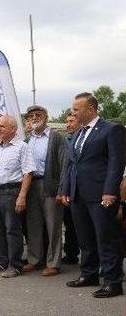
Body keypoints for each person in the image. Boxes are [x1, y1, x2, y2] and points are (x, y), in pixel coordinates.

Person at [62, 92, 126, 297]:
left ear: (90, 109)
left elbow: (116, 163)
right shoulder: (80, 132)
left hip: (101, 195)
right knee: (85, 238)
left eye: (76, 109)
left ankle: (113, 282)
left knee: (106, 238)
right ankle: (88, 274)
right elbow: (72, 164)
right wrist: (65, 189)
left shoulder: (111, 129)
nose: (72, 112)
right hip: (78, 194)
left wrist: (109, 191)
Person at [0, 115, 35, 278]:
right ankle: (0, 261)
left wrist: (22, 196)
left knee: (12, 230)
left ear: (14, 129)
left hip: (11, 192)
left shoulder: (21, 147)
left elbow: (28, 172)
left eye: (3, 126)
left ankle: (15, 265)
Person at [23, 105, 69, 276]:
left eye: (38, 114)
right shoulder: (29, 139)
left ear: (46, 117)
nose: (35, 118)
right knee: (33, 225)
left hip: (50, 185)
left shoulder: (56, 137)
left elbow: (65, 163)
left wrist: (62, 189)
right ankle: (34, 260)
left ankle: (54, 263)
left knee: (53, 226)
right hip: (31, 185)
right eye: (31, 116)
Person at [62, 112, 81, 264]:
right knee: (69, 223)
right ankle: (71, 253)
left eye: (71, 121)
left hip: (85, 188)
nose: (68, 124)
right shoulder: (65, 140)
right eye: (67, 121)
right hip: (69, 188)